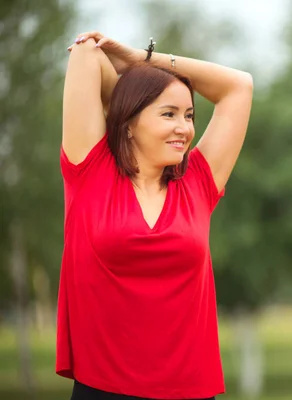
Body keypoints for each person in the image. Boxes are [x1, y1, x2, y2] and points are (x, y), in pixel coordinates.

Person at [58, 32, 253, 400]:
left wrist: (142, 59)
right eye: (169, 114)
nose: (185, 128)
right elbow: (86, 52)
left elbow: (238, 86)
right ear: (128, 122)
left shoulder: (198, 181)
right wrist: (134, 85)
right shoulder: (90, 172)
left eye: (189, 115)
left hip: (190, 392)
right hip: (103, 389)